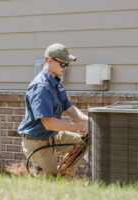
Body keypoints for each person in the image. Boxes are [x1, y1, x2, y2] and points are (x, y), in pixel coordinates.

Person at [18, 43, 88, 177]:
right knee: (47, 183)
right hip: (37, 141)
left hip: (52, 135)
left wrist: (90, 121)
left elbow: (70, 109)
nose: (66, 68)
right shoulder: (41, 87)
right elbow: (49, 123)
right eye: (63, 64)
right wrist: (81, 126)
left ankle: (62, 177)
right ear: (50, 60)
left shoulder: (56, 83)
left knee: (82, 144)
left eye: (67, 64)